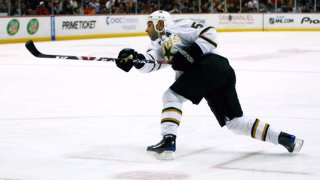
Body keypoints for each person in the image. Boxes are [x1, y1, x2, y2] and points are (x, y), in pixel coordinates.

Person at [115, 10, 304, 160]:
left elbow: (210, 33)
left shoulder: (177, 26)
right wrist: (136, 61)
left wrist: (191, 54)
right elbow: (152, 61)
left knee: (171, 97)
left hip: (210, 64)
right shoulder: (157, 45)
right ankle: (285, 138)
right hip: (218, 72)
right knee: (235, 123)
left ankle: (168, 140)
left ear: (160, 22)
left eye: (149, 24)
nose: (146, 29)